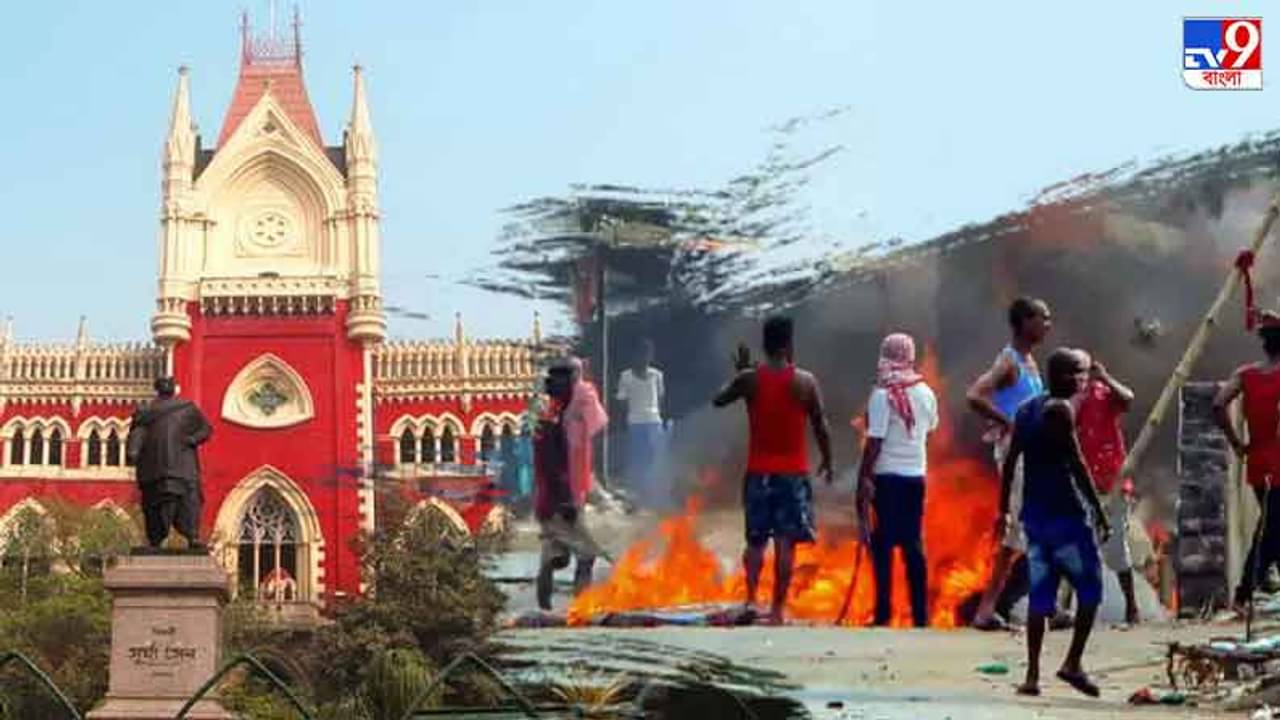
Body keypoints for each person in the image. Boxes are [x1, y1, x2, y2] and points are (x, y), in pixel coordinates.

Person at [1002, 349, 1110, 698]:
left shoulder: (1026, 410)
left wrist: (1003, 508)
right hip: (1066, 516)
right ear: (1065, 377)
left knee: (1040, 595)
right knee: (1091, 590)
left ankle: (1032, 676)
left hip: (1035, 516)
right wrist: (1099, 511)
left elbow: (1010, 462)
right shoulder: (1061, 410)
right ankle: (1072, 663)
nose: (1084, 379)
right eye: (1080, 373)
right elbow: (1076, 464)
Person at [714, 315, 834, 624]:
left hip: (758, 472)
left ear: (764, 344)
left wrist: (741, 373)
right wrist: (828, 460)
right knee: (785, 542)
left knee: (755, 541)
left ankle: (751, 600)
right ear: (789, 344)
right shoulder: (806, 382)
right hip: (793, 474)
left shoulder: (751, 380)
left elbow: (719, 400)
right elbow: (822, 426)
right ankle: (778, 610)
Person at [966, 297, 1055, 631]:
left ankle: (1042, 605)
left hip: (1033, 454)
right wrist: (1008, 422)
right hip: (1016, 455)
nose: (1048, 324)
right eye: (1042, 318)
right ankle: (986, 610)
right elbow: (974, 395)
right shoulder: (1009, 363)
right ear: (1024, 322)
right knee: (1017, 532)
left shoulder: (1028, 361)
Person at [857, 333, 938, 627]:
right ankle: (920, 616)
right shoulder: (926, 393)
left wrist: (863, 478)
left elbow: (874, 442)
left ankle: (883, 613)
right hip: (915, 477)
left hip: (887, 478)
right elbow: (929, 431)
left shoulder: (882, 395)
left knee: (883, 545)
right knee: (913, 544)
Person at [1214, 311, 1280, 612]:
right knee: (1271, 530)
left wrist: (1237, 444)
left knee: (1273, 526)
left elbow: (1218, 404)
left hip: (1258, 459)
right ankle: (1244, 592)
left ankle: (1249, 590)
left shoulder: (1246, 374)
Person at [1072, 350, 1140, 624]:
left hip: (1112, 481)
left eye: (1084, 369)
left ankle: (1132, 607)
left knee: (1116, 549)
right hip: (1081, 482)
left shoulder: (1105, 393)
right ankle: (1072, 609)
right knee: (1078, 547)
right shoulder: (1067, 400)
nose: (1081, 375)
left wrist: (1105, 378)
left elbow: (1128, 399)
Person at [533, 358, 606, 611]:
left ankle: (546, 604)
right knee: (586, 555)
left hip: (552, 499)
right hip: (560, 500)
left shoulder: (553, 415)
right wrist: (567, 501)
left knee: (556, 552)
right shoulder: (554, 421)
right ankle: (580, 605)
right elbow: (555, 465)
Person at [125, 376, 213, 548]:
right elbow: (138, 433)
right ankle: (155, 539)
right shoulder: (146, 411)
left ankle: (192, 536)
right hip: (154, 465)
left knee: (188, 499)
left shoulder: (187, 408)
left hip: (182, 464)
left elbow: (206, 429)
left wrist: (192, 439)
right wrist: (133, 451)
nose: (166, 387)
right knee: (153, 501)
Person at [616, 339, 670, 510]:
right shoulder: (626, 376)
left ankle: (655, 497)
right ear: (634, 355)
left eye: (647, 354)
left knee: (656, 460)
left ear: (650, 355)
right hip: (635, 423)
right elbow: (622, 401)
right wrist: (626, 421)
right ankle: (639, 499)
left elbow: (660, 400)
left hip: (654, 422)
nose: (644, 357)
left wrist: (657, 418)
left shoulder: (657, 375)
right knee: (639, 460)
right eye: (640, 353)